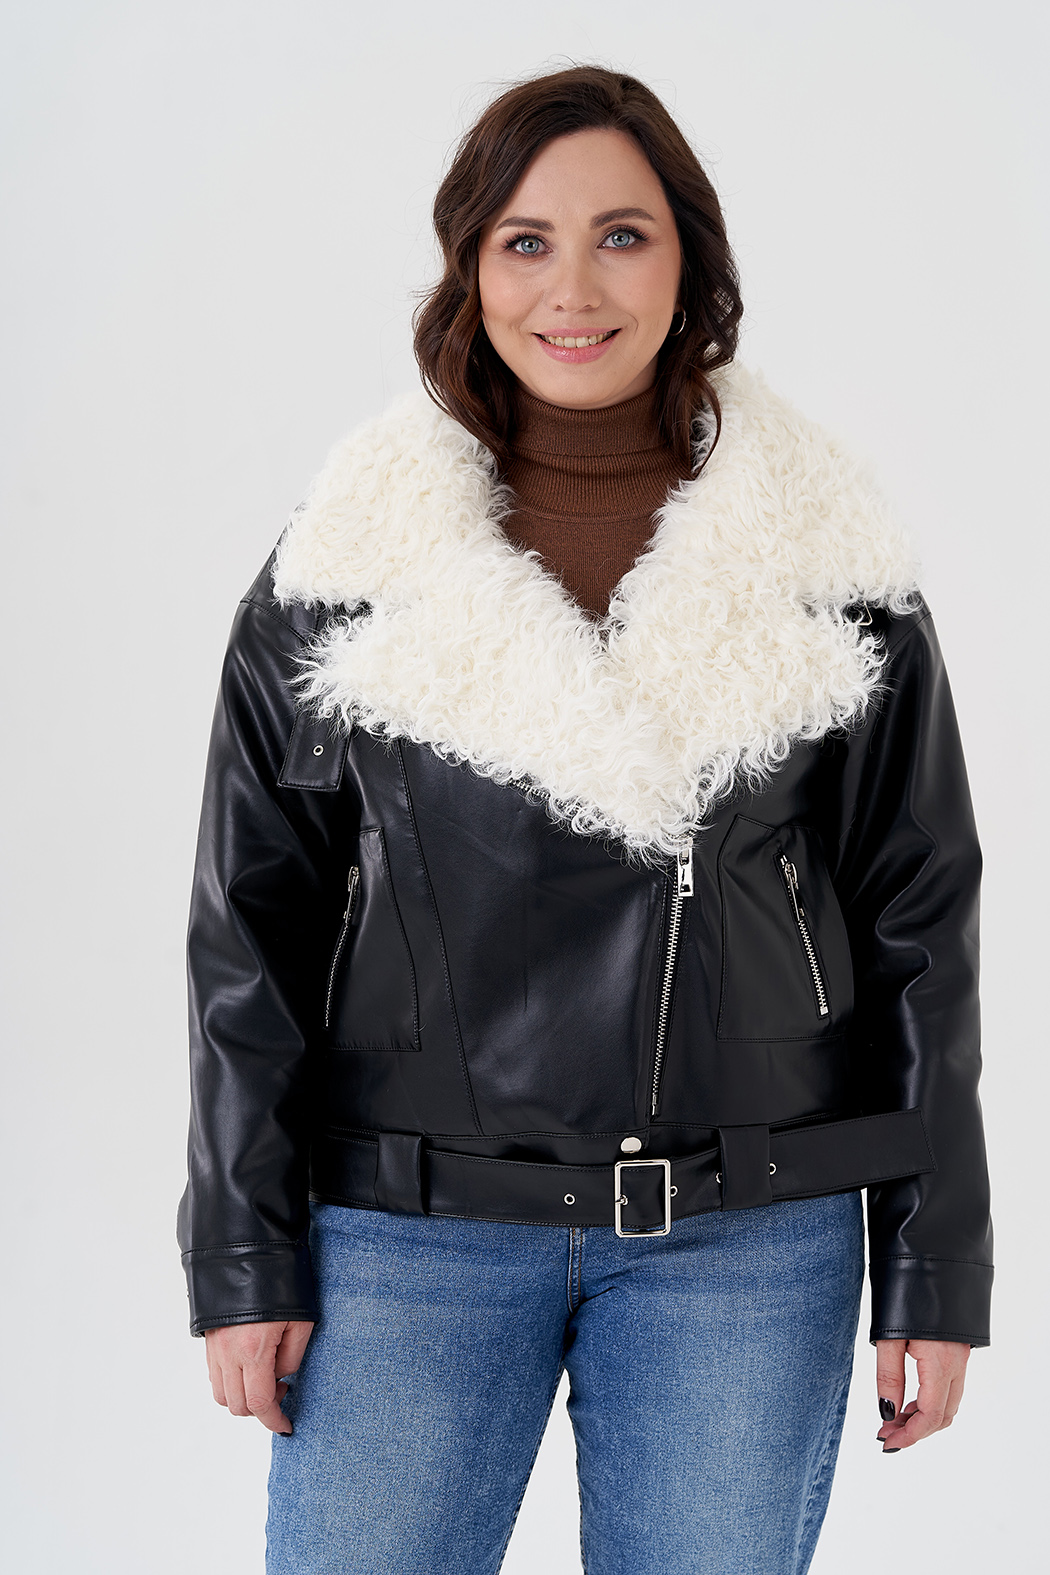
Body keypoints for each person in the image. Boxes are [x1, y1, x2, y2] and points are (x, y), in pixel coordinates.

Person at [178, 65, 993, 1575]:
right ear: (470, 270)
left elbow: (919, 920)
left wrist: (933, 1265)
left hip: (746, 1239)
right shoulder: (348, 565)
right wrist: (242, 1250)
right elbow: (252, 930)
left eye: (622, 236)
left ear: (689, 262)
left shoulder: (828, 564)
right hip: (403, 1232)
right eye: (525, 242)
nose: (573, 289)